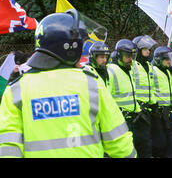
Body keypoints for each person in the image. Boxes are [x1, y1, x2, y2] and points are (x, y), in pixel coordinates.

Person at [0, 9, 136, 158]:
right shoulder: (92, 84)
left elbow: (8, 149)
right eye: (82, 45)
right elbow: (120, 145)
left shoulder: (16, 90)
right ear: (70, 47)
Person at [107, 39, 150, 158]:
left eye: (132, 56)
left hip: (135, 119)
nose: (131, 59)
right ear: (119, 55)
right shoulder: (111, 71)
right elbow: (106, 100)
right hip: (120, 122)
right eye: (127, 56)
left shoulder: (129, 70)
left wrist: (139, 111)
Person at [150, 46, 172, 158]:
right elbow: (149, 89)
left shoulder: (168, 72)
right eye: (166, 59)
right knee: (160, 145)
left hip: (169, 112)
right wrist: (155, 106)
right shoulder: (153, 71)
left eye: (170, 59)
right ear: (158, 59)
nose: (169, 61)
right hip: (158, 113)